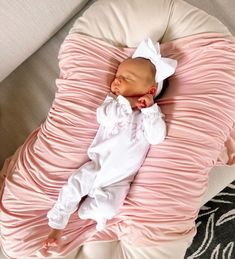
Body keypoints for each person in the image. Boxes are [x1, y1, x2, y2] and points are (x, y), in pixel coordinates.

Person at [42, 38, 177, 251]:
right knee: (73, 186)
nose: (116, 81)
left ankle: (88, 213)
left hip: (120, 180)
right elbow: (104, 118)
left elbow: (156, 137)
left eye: (126, 77)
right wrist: (127, 102)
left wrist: (150, 110)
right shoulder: (112, 104)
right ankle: (57, 225)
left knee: (110, 207)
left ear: (150, 91)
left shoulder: (149, 116)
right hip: (97, 166)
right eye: (117, 76)